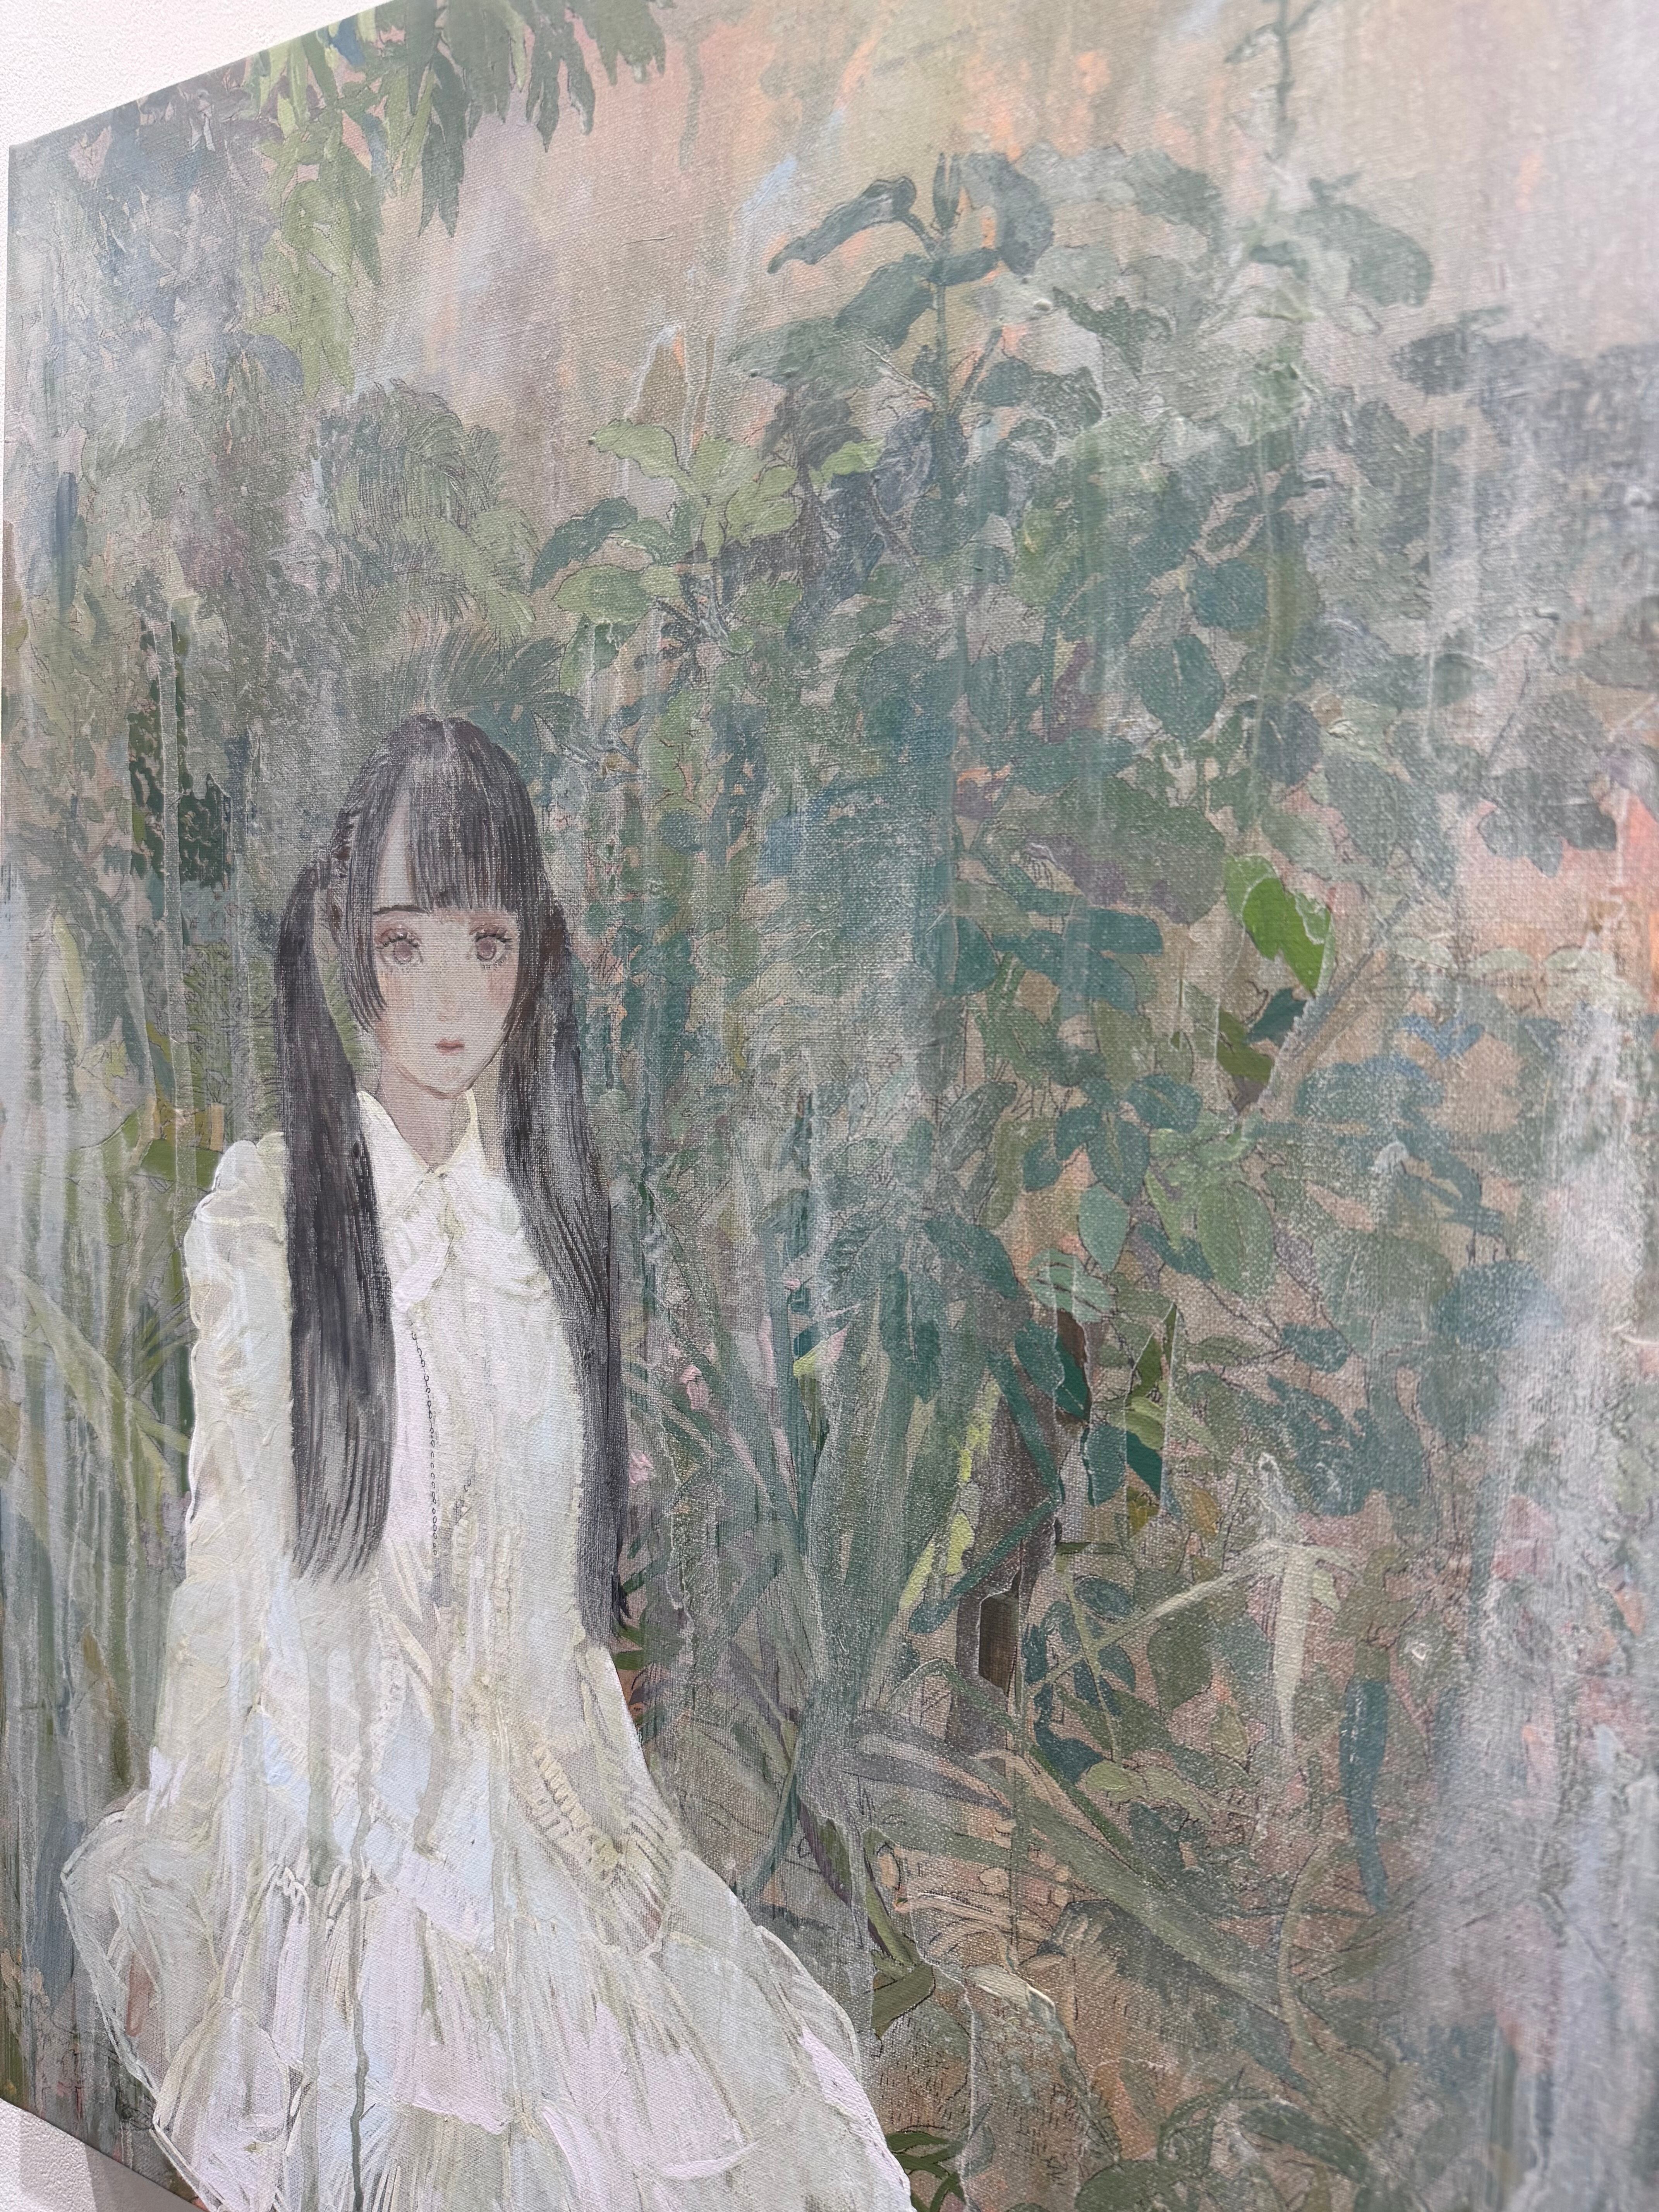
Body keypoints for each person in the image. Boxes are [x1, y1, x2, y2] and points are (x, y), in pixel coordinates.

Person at [62, 716, 912, 2212]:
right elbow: (233, 1568)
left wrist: (611, 1830)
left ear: (532, 957)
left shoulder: (543, 1231)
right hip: (350, 1826)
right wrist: (191, 1859)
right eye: (407, 945)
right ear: (351, 951)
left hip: (544, 1814)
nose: (451, 995)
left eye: (487, 944)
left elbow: (551, 1613)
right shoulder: (268, 1217)